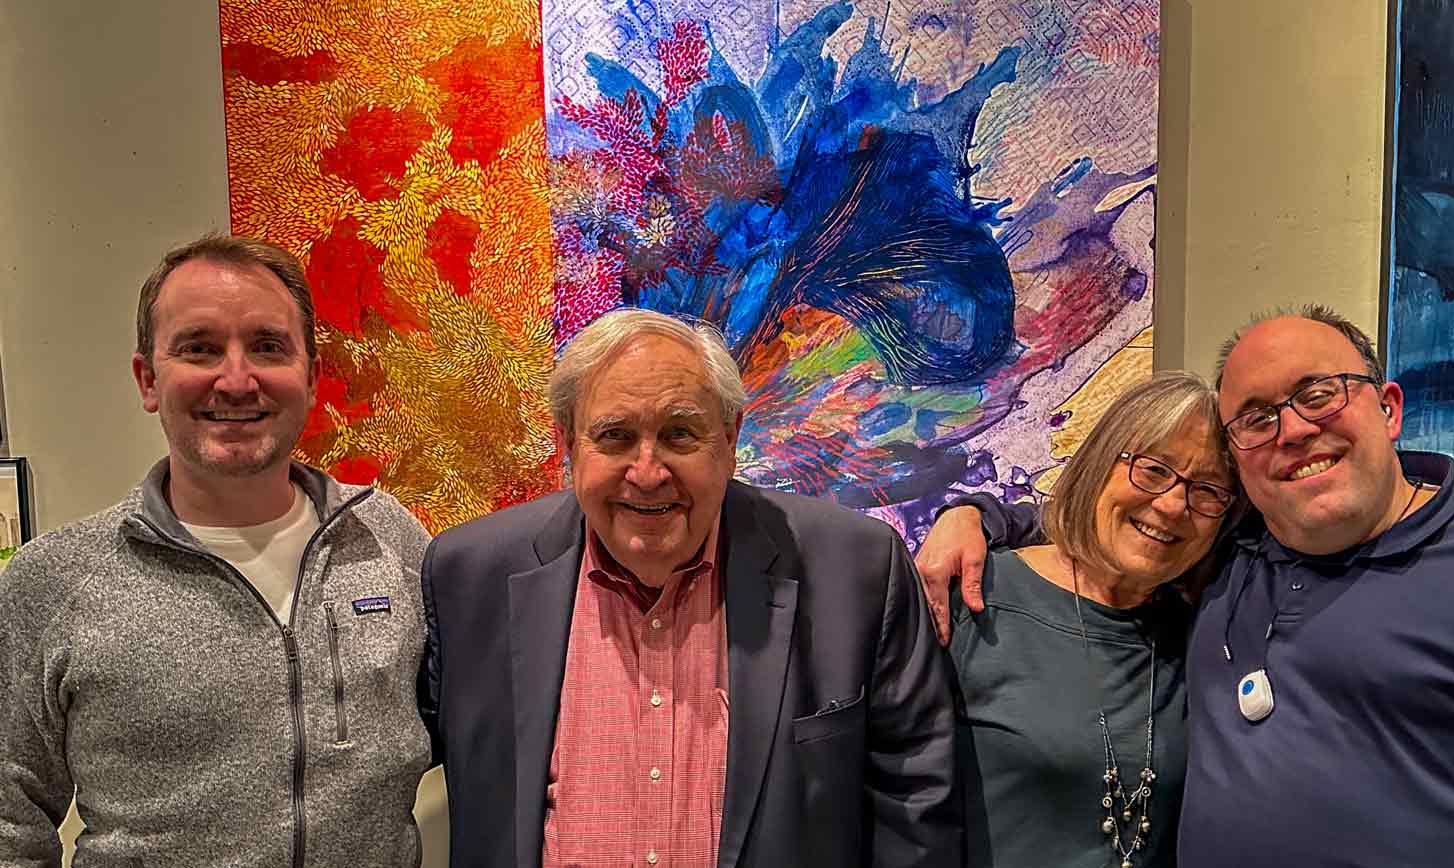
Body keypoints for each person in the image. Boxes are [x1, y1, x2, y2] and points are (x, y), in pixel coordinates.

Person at [918, 305, 1454, 866]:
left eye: (1319, 394)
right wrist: (974, 514)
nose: (1292, 431)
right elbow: (1108, 532)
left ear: (1389, 408)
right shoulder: (1232, 561)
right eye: (1257, 417)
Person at [418, 307, 959, 868]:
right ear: (569, 444)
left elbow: (916, 800)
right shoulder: (468, 578)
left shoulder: (856, 570)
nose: (648, 473)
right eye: (614, 436)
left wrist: (985, 516)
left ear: (729, 439)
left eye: (679, 433)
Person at [0, 236, 434, 867]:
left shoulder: (388, 539)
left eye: (267, 346)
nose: (236, 380)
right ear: (149, 379)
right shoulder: (56, 582)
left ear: (312, 378)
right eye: (199, 348)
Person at [948, 371, 1234, 868]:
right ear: (1101, 463)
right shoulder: (977, 594)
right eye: (1152, 469)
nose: (1171, 506)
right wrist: (970, 512)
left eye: (1207, 489)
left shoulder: (1202, 629)